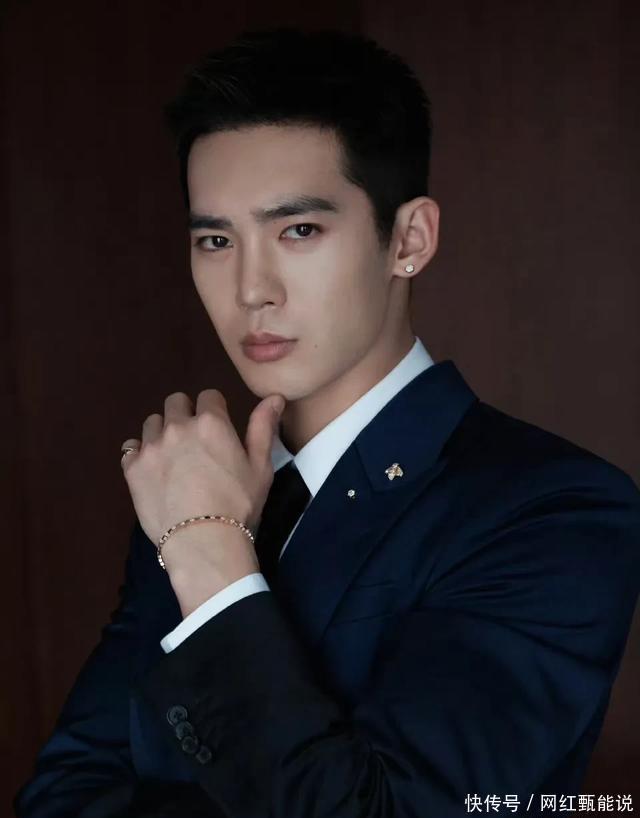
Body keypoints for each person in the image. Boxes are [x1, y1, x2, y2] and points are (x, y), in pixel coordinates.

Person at [14, 26, 640, 818]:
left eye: (298, 231)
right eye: (216, 239)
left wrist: (210, 555)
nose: (251, 289)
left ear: (408, 239)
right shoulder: (194, 489)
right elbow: (63, 797)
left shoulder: (552, 510)